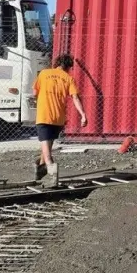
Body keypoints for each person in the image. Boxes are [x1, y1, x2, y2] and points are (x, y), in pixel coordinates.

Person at [29, 53, 87, 184]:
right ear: (68, 67)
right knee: (47, 147)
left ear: (57, 63)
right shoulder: (68, 78)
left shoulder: (44, 74)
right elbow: (75, 98)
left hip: (44, 116)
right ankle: (40, 168)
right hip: (58, 118)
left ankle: (52, 177)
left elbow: (34, 93)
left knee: (48, 154)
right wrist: (83, 115)